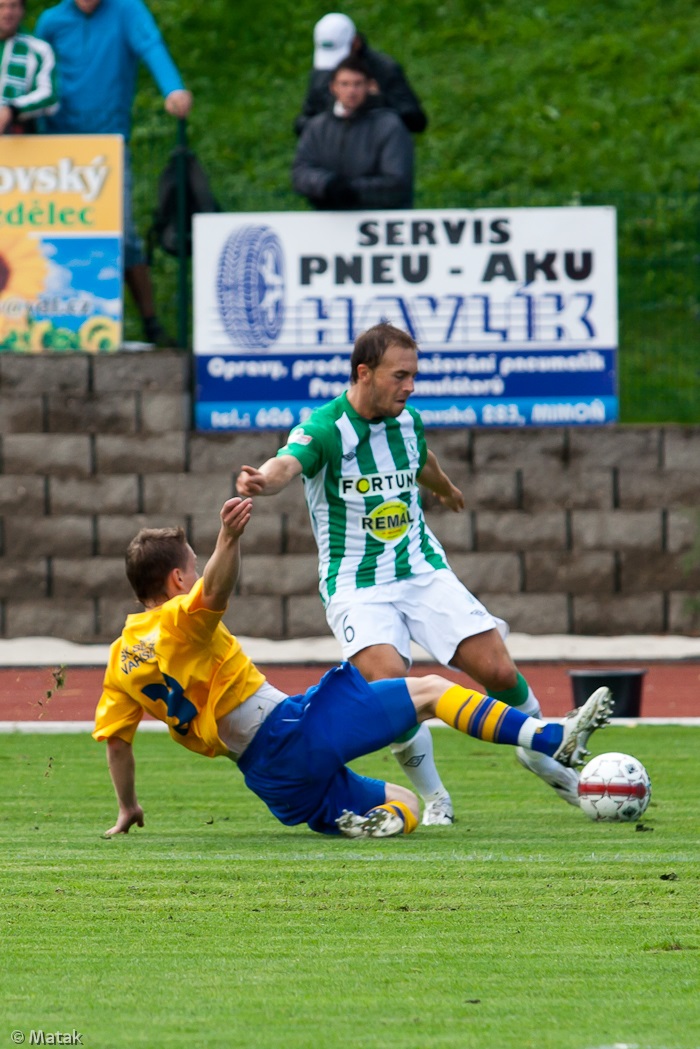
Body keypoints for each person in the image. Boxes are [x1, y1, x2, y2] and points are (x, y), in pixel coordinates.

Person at [95, 495, 613, 839]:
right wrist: (227, 540)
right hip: (291, 732)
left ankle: (373, 823)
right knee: (429, 690)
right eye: (192, 565)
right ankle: (553, 740)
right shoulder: (180, 621)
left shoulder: (120, 661)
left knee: (404, 802)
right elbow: (218, 588)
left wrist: (128, 806)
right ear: (175, 582)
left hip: (268, 779)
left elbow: (118, 743)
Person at [236, 323, 588, 824]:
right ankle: (436, 798)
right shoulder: (324, 429)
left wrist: (444, 489)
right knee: (387, 682)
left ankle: (535, 750)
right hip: (356, 584)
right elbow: (287, 463)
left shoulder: (407, 422)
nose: (411, 386)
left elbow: (421, 460)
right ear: (365, 373)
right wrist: (262, 481)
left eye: (414, 375)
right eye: (400, 376)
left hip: (420, 568)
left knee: (498, 670)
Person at [35, 0, 193, 346]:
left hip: (107, 147)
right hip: (54, 147)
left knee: (122, 234)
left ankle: (149, 322)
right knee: (52, 230)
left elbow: (151, 45)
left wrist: (173, 88)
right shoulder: (51, 21)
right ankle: (46, 321)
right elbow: (35, 71)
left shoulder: (128, 11)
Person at [292, 56, 413, 211]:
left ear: (370, 86)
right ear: (333, 87)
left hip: (377, 219)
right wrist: (327, 185)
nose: (351, 91)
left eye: (358, 84)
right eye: (344, 84)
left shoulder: (390, 125)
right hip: (327, 219)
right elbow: (300, 171)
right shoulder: (317, 126)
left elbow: (397, 180)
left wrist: (352, 190)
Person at [294, 12, 427, 138]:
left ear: (356, 42)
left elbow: (416, 121)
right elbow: (304, 121)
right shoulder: (322, 73)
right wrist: (331, 119)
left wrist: (377, 103)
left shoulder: (384, 69)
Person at [0, 0, 58, 134]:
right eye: (1, 6)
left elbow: (50, 95)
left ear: (22, 10)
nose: (7, 12)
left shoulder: (39, 49)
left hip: (21, 137)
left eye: (13, 6)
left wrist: (12, 109)